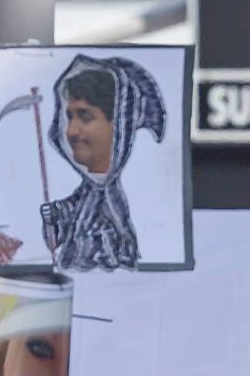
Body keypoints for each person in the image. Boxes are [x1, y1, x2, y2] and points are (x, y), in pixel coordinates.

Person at [34, 54, 168, 274]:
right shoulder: (82, 196)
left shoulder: (138, 200)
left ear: (118, 123)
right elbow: (55, 241)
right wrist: (52, 218)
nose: (72, 131)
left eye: (85, 117)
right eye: (70, 117)